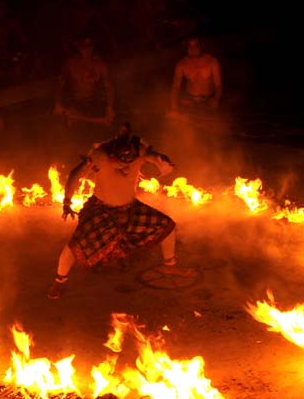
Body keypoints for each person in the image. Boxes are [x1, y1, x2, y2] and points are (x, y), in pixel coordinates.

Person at [47, 123, 197, 299]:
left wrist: (161, 162)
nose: (126, 166)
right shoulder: (100, 156)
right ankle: (59, 281)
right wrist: (67, 202)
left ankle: (169, 267)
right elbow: (76, 174)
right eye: (120, 162)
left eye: (130, 161)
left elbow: (153, 157)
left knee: (167, 226)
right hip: (101, 210)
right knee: (74, 247)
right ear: (112, 155)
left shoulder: (139, 152)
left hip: (131, 208)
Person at [53, 32, 116, 128]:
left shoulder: (100, 65)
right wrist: (58, 104)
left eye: (90, 46)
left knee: (108, 122)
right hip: (76, 102)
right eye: (84, 47)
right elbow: (60, 84)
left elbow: (109, 87)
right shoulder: (70, 64)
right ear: (78, 47)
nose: (87, 50)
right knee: (70, 122)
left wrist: (109, 107)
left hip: (94, 101)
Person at [168, 34, 223, 119]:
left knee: (212, 125)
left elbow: (218, 85)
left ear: (201, 46)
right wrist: (174, 108)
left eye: (196, 45)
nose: (193, 48)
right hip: (190, 100)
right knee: (186, 125)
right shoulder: (181, 64)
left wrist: (216, 99)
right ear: (186, 48)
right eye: (190, 45)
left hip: (209, 100)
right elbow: (175, 87)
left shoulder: (212, 62)